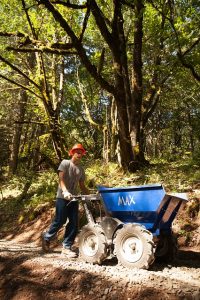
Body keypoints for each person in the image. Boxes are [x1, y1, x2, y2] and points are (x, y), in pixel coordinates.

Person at [41, 143, 90, 258]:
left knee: (74, 223)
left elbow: (82, 185)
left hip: (74, 198)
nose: (79, 154)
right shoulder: (65, 163)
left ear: (82, 154)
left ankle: (66, 247)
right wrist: (65, 191)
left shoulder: (81, 169)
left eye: (81, 152)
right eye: (77, 152)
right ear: (72, 153)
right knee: (60, 220)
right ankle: (47, 237)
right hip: (62, 197)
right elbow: (61, 179)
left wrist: (90, 195)